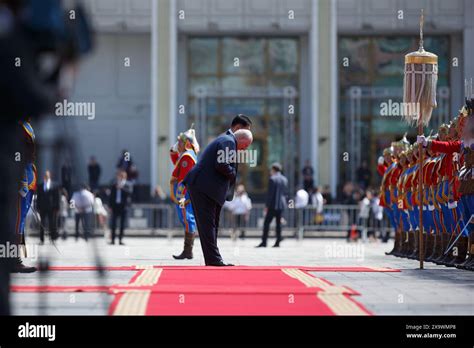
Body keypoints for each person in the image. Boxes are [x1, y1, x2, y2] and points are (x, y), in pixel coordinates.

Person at [183, 114, 253, 266]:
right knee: (208, 224)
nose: (246, 149)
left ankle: (213, 259)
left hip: (207, 188)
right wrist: (233, 174)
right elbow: (221, 164)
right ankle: (214, 259)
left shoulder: (227, 140)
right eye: (246, 145)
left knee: (211, 224)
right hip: (202, 187)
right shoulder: (228, 141)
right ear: (239, 134)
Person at [170, 126, 200, 260]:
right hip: (184, 192)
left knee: (187, 218)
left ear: (187, 143)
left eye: (181, 142)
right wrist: (174, 149)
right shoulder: (186, 156)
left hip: (184, 193)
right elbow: (176, 162)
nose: (179, 145)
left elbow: (185, 178)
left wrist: (181, 195)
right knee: (186, 219)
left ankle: (188, 251)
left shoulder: (187, 157)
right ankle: (187, 251)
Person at [12, 121, 38, 273]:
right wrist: (21, 178)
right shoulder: (17, 125)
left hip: (27, 171)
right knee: (16, 222)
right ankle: (14, 260)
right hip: (21, 174)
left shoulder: (26, 124)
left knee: (19, 221)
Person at [257, 163, 288, 248]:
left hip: (273, 205)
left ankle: (264, 241)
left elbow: (270, 194)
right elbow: (285, 193)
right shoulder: (284, 179)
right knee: (279, 224)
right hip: (281, 205)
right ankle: (278, 241)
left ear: (273, 169)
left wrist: (267, 205)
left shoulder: (272, 179)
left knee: (266, 223)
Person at [36, 170, 60, 244]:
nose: (46, 176)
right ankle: (42, 239)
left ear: (50, 176)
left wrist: (57, 207)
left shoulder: (55, 185)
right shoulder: (40, 186)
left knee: (52, 224)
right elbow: (38, 197)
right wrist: (37, 207)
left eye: (47, 175)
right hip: (42, 207)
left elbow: (57, 197)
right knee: (42, 224)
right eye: (45, 175)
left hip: (52, 208)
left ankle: (52, 238)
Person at [109, 170, 132, 245]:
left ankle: (120, 240)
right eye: (119, 176)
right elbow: (111, 196)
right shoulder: (114, 184)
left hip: (123, 207)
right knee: (113, 224)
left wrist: (121, 188)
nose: (120, 177)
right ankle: (112, 240)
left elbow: (129, 193)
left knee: (122, 224)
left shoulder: (127, 184)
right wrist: (110, 206)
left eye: (122, 176)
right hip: (115, 207)